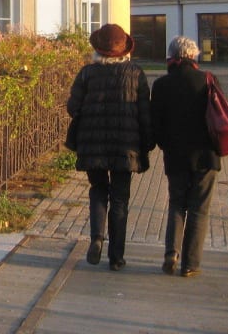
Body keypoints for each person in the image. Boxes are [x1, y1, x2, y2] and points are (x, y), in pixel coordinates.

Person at [67, 23, 153, 271]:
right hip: (126, 147)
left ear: (98, 50)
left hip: (91, 144)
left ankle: (96, 237)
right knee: (120, 199)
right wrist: (147, 144)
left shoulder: (87, 73)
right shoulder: (136, 73)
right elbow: (144, 113)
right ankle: (117, 257)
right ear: (124, 50)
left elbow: (73, 107)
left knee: (97, 189)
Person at [151, 35, 221, 278]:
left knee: (176, 204)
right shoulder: (208, 81)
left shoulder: (161, 86)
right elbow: (220, 116)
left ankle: (171, 252)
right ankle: (190, 263)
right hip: (206, 156)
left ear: (172, 57)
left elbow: (155, 125)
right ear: (194, 56)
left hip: (176, 156)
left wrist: (166, 144)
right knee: (199, 208)